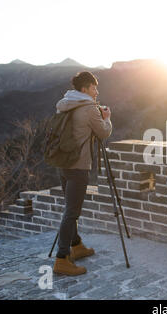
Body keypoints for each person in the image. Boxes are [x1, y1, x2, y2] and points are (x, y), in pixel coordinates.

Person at [53, 71, 112, 276]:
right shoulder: (89, 108)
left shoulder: (65, 103)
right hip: (79, 166)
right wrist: (106, 118)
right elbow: (103, 133)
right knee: (71, 212)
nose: (97, 92)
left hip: (63, 163)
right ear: (85, 88)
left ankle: (76, 246)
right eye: (94, 88)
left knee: (70, 208)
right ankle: (61, 259)